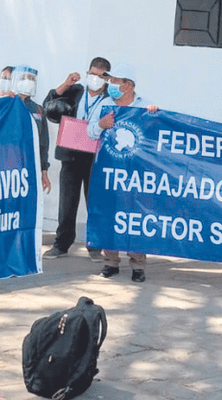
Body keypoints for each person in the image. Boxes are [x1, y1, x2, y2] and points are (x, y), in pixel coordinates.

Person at [86, 63, 159, 282]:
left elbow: (157, 136)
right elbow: (90, 133)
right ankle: (110, 262)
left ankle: (138, 265)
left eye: (115, 81)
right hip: (109, 170)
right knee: (110, 213)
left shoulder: (145, 105)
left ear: (127, 85)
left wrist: (155, 116)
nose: (110, 85)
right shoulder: (104, 104)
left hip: (136, 173)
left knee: (135, 215)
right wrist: (100, 124)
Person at [42, 57, 111, 260]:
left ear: (106, 78)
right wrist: (66, 83)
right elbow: (49, 105)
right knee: (67, 202)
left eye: (100, 76)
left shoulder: (109, 99)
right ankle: (61, 244)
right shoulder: (75, 91)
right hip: (71, 154)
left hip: (96, 156)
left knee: (95, 202)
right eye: (92, 74)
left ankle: (95, 246)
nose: (95, 79)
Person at [3, 65, 52, 194]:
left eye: (31, 79)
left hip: (30, 165)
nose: (28, 82)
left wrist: (44, 171)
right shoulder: (3, 103)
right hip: (6, 165)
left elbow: (43, 143)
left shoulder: (37, 109)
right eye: (24, 78)